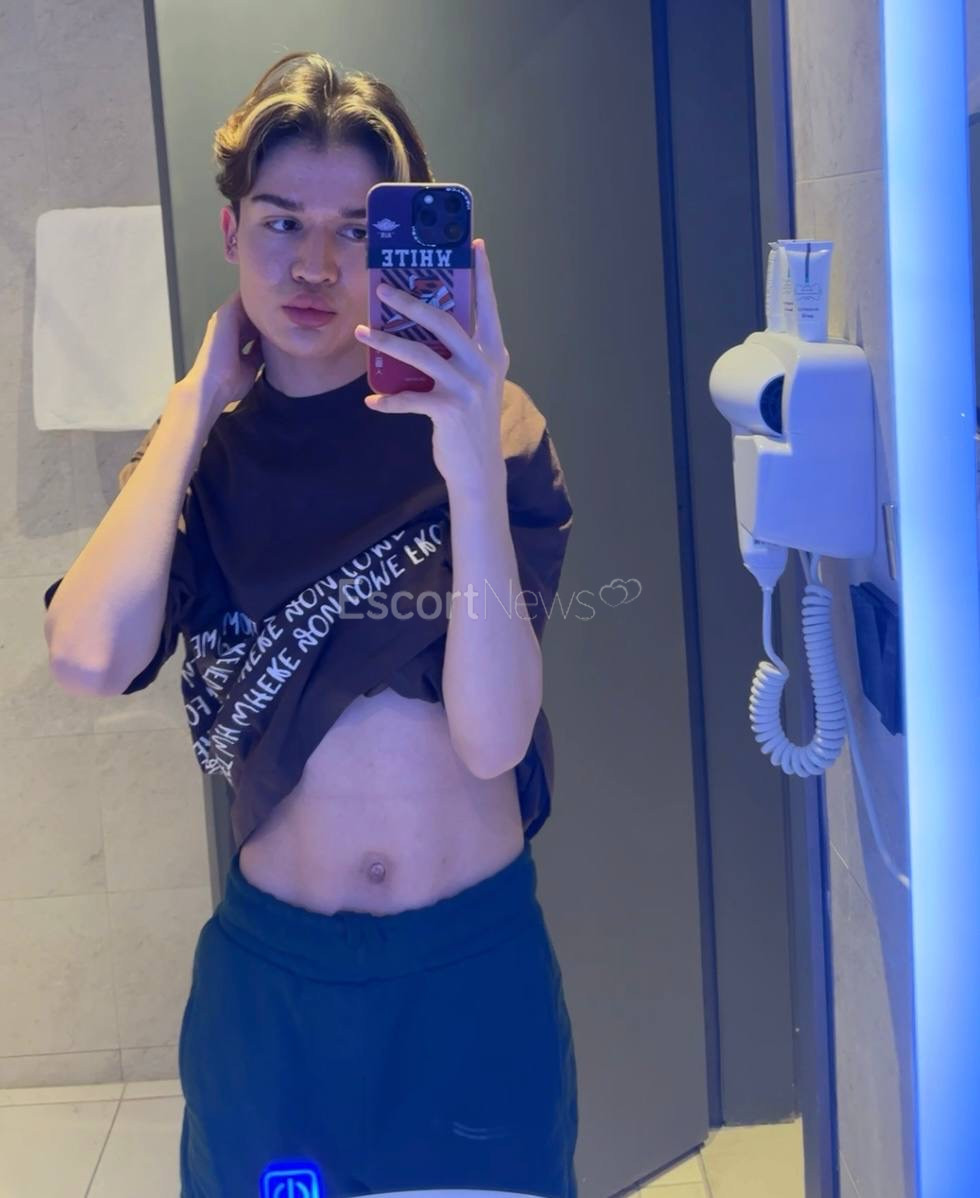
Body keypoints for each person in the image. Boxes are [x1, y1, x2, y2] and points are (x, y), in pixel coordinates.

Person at [43, 51, 577, 1198]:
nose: (317, 266)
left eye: (355, 231)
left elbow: (492, 736)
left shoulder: (491, 430)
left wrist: (468, 468)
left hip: (467, 978)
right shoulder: (205, 463)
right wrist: (192, 406)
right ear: (231, 232)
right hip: (275, 990)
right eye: (283, 221)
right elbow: (86, 653)